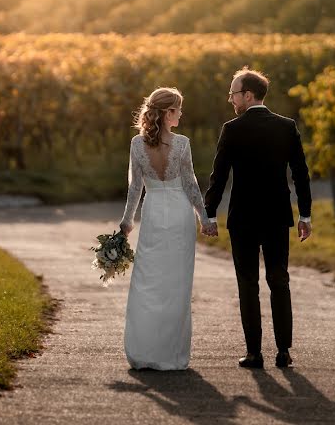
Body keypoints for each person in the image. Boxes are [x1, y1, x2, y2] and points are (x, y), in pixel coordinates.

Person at [204, 67, 312, 370]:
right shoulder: (287, 126)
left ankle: (254, 353)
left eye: (233, 94)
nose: (230, 100)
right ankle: (283, 351)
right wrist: (305, 214)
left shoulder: (232, 129)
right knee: (279, 280)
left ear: (248, 96)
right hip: (278, 216)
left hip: (243, 218)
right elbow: (301, 175)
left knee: (248, 283)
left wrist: (209, 213)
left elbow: (219, 176)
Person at [119, 87, 215, 370]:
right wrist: (204, 218)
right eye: (178, 109)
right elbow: (191, 185)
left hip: (152, 214)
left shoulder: (137, 144)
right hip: (178, 214)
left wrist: (126, 222)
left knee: (148, 281)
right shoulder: (182, 144)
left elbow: (135, 187)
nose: (181, 114)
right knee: (176, 283)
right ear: (167, 113)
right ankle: (169, 354)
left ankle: (144, 351)